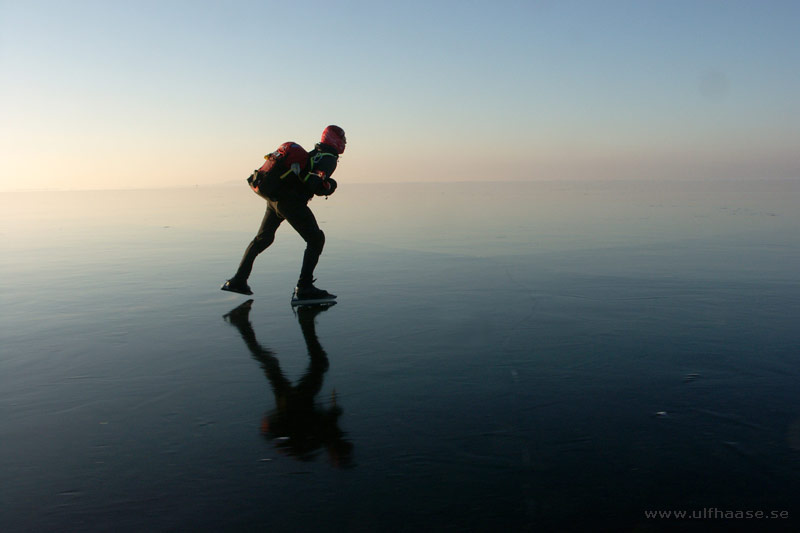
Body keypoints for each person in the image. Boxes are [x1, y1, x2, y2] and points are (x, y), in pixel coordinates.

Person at [221, 125, 346, 302]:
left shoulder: (314, 152)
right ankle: (304, 287)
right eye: (343, 139)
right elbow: (313, 184)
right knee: (316, 239)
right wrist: (330, 186)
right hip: (291, 203)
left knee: (262, 239)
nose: (344, 142)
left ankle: (238, 280)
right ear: (336, 140)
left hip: (275, 200)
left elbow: (303, 174)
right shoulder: (328, 158)